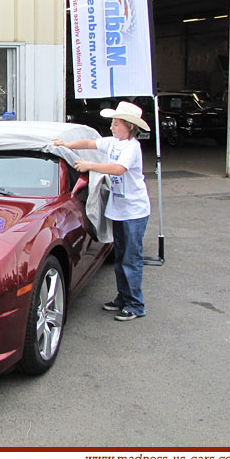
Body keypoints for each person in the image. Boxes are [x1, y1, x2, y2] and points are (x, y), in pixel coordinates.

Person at [53, 101, 151, 321]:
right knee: (120, 258)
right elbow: (90, 142)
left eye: (117, 124)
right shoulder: (113, 143)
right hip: (119, 210)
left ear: (130, 127)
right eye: (113, 123)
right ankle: (123, 298)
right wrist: (66, 145)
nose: (113, 127)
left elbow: (118, 169)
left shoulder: (132, 147)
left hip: (134, 212)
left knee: (131, 258)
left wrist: (90, 166)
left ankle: (136, 305)